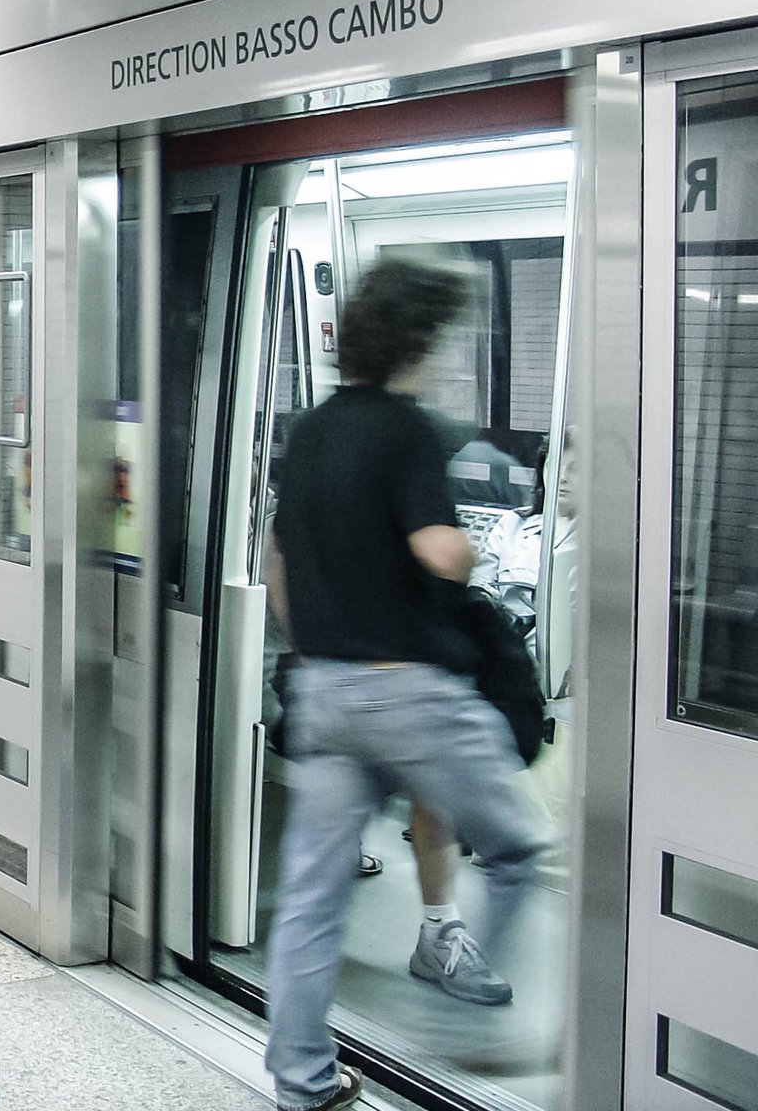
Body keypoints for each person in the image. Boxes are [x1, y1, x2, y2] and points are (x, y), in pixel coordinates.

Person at [261, 260, 549, 1111]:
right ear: (415, 340)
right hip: (409, 694)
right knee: (517, 848)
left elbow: (277, 563)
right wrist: (469, 547)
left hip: (324, 692)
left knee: (310, 902)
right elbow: (439, 553)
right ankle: (457, 1040)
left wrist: (320, 638)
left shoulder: (312, 430)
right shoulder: (407, 429)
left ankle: (303, 1082)